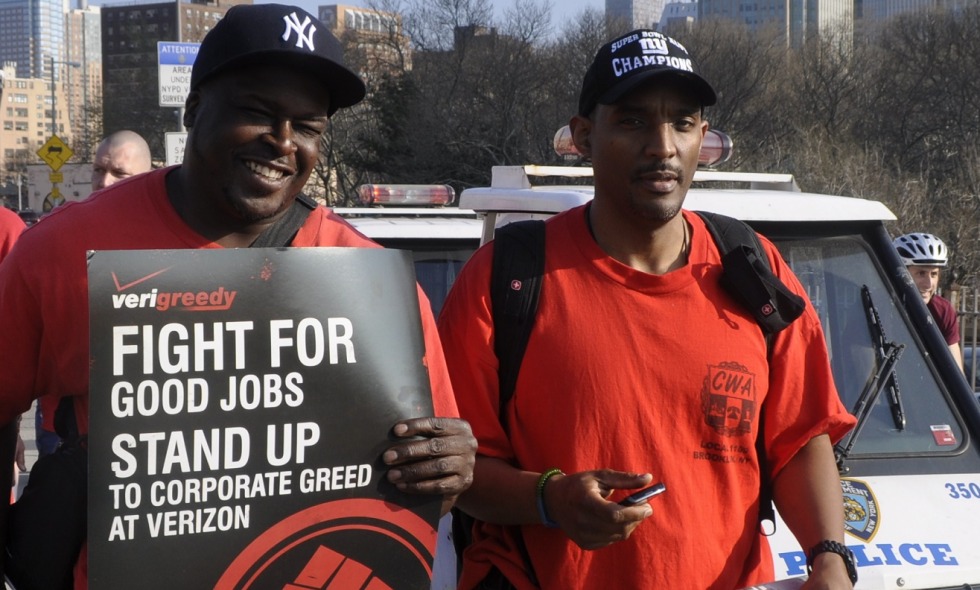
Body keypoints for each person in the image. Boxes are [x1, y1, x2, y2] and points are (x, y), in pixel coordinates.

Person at [0, 5, 475, 588]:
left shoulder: (372, 285)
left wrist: (446, 472)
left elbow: (425, 487)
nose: (282, 142)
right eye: (257, 112)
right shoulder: (61, 250)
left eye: (308, 126)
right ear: (195, 108)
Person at [438, 29, 857, 589]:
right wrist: (550, 499)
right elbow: (455, 470)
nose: (662, 145)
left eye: (682, 122)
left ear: (703, 138)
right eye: (633, 121)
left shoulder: (754, 267)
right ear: (584, 136)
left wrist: (830, 557)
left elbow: (801, 437)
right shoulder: (504, 278)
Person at [893, 232, 963, 371]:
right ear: (902, 274)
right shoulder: (879, 304)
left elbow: (955, 369)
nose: (929, 284)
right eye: (921, 273)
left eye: (934, 274)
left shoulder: (943, 310)